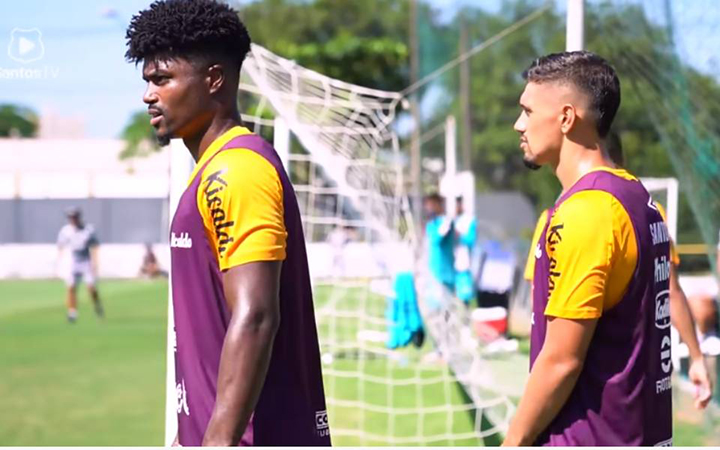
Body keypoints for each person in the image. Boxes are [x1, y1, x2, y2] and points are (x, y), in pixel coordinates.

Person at [125, 0, 329, 445]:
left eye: (163, 79)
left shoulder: (236, 171)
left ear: (214, 79)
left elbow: (256, 316)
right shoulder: (211, 171)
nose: (148, 95)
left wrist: (216, 441)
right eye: (147, 81)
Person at [504, 51, 672, 445]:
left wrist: (511, 443)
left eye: (527, 111)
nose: (518, 124)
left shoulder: (587, 212)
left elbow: (562, 360)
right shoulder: (636, 196)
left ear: (566, 118)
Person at [522, 133, 713, 411]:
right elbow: (670, 291)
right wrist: (696, 357)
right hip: (640, 385)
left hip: (591, 396)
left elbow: (539, 307)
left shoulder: (558, 219)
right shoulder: (652, 213)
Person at [56, 207, 104, 322]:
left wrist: (95, 263)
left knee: (91, 287)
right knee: (71, 287)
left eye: (74, 217)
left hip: (86, 260)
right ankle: (72, 312)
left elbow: (95, 245)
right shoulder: (66, 231)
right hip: (73, 261)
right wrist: (59, 263)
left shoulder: (88, 230)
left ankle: (97, 305)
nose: (73, 220)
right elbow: (60, 245)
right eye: (71, 218)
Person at [423, 193, 455, 291]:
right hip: (433, 272)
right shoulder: (431, 223)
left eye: (430, 205)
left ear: (437, 204)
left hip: (444, 273)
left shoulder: (446, 222)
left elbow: (436, 240)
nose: (428, 208)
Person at [453, 196, 477, 304]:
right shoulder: (453, 220)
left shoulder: (469, 221)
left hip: (464, 260)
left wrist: (460, 236)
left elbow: (471, 239)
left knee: (465, 290)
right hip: (453, 260)